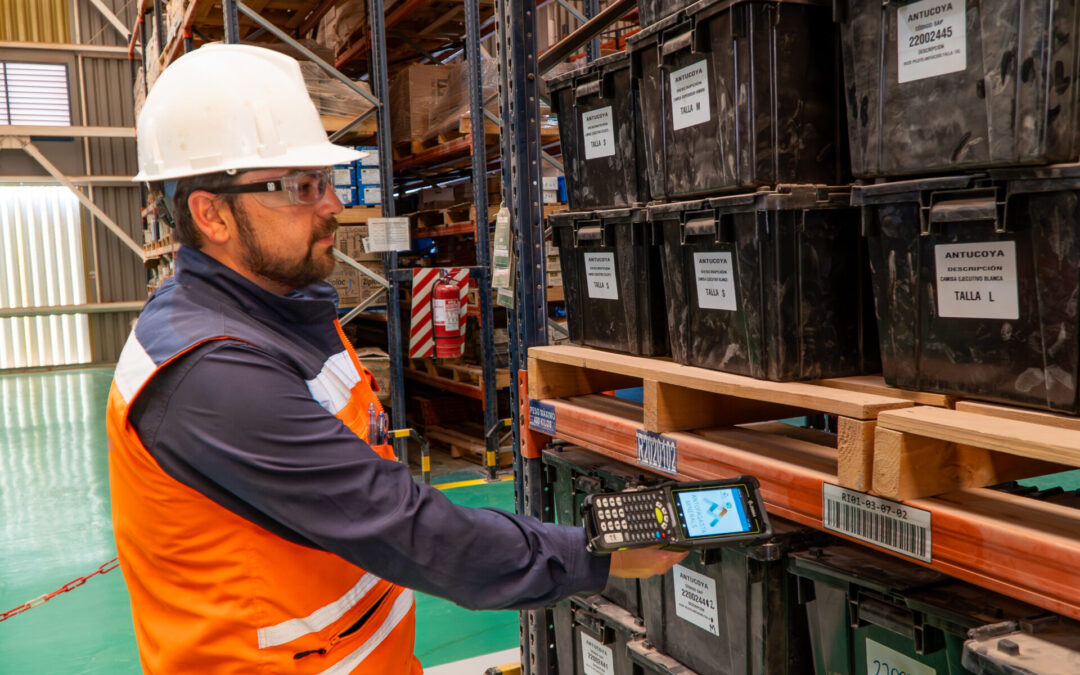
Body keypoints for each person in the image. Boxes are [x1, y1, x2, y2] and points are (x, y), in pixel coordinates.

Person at [106, 43, 685, 674]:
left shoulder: (283, 312)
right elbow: (407, 530)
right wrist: (598, 555)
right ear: (211, 214)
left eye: (324, 181)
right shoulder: (211, 372)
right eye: (301, 186)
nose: (332, 205)